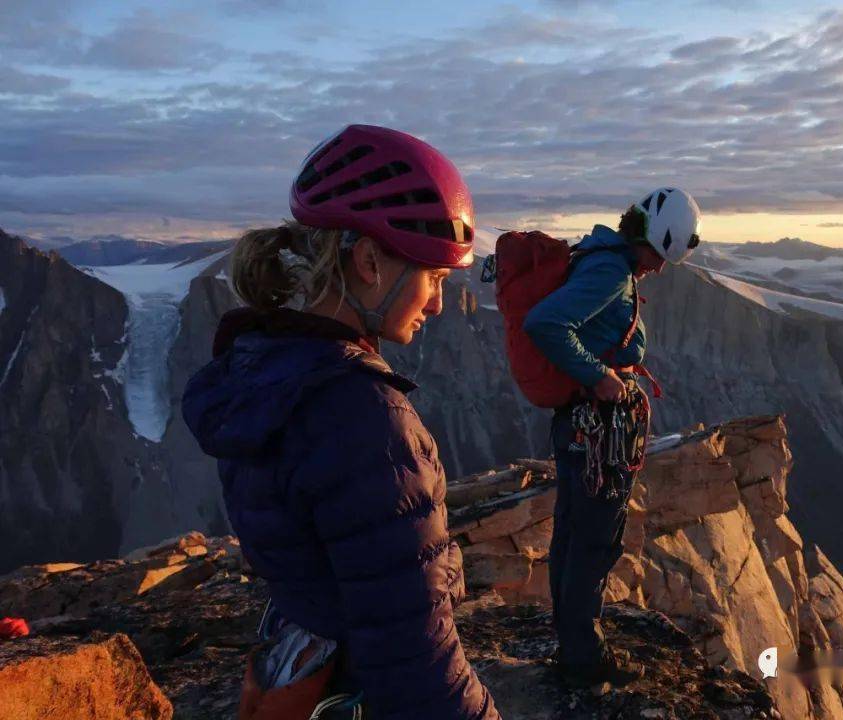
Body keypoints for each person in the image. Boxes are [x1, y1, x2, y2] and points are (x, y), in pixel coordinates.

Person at [182, 125, 500, 719]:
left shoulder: (260, 370)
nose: (437, 303)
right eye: (432, 277)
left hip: (293, 671)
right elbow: (416, 660)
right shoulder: (365, 417)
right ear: (369, 261)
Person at [523, 187, 702, 687]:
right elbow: (546, 323)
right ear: (645, 238)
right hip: (594, 426)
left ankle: (572, 638)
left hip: (580, 423)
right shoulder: (609, 270)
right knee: (597, 536)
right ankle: (585, 657)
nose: (659, 269)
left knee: (574, 529)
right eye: (658, 256)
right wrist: (600, 375)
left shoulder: (599, 255)